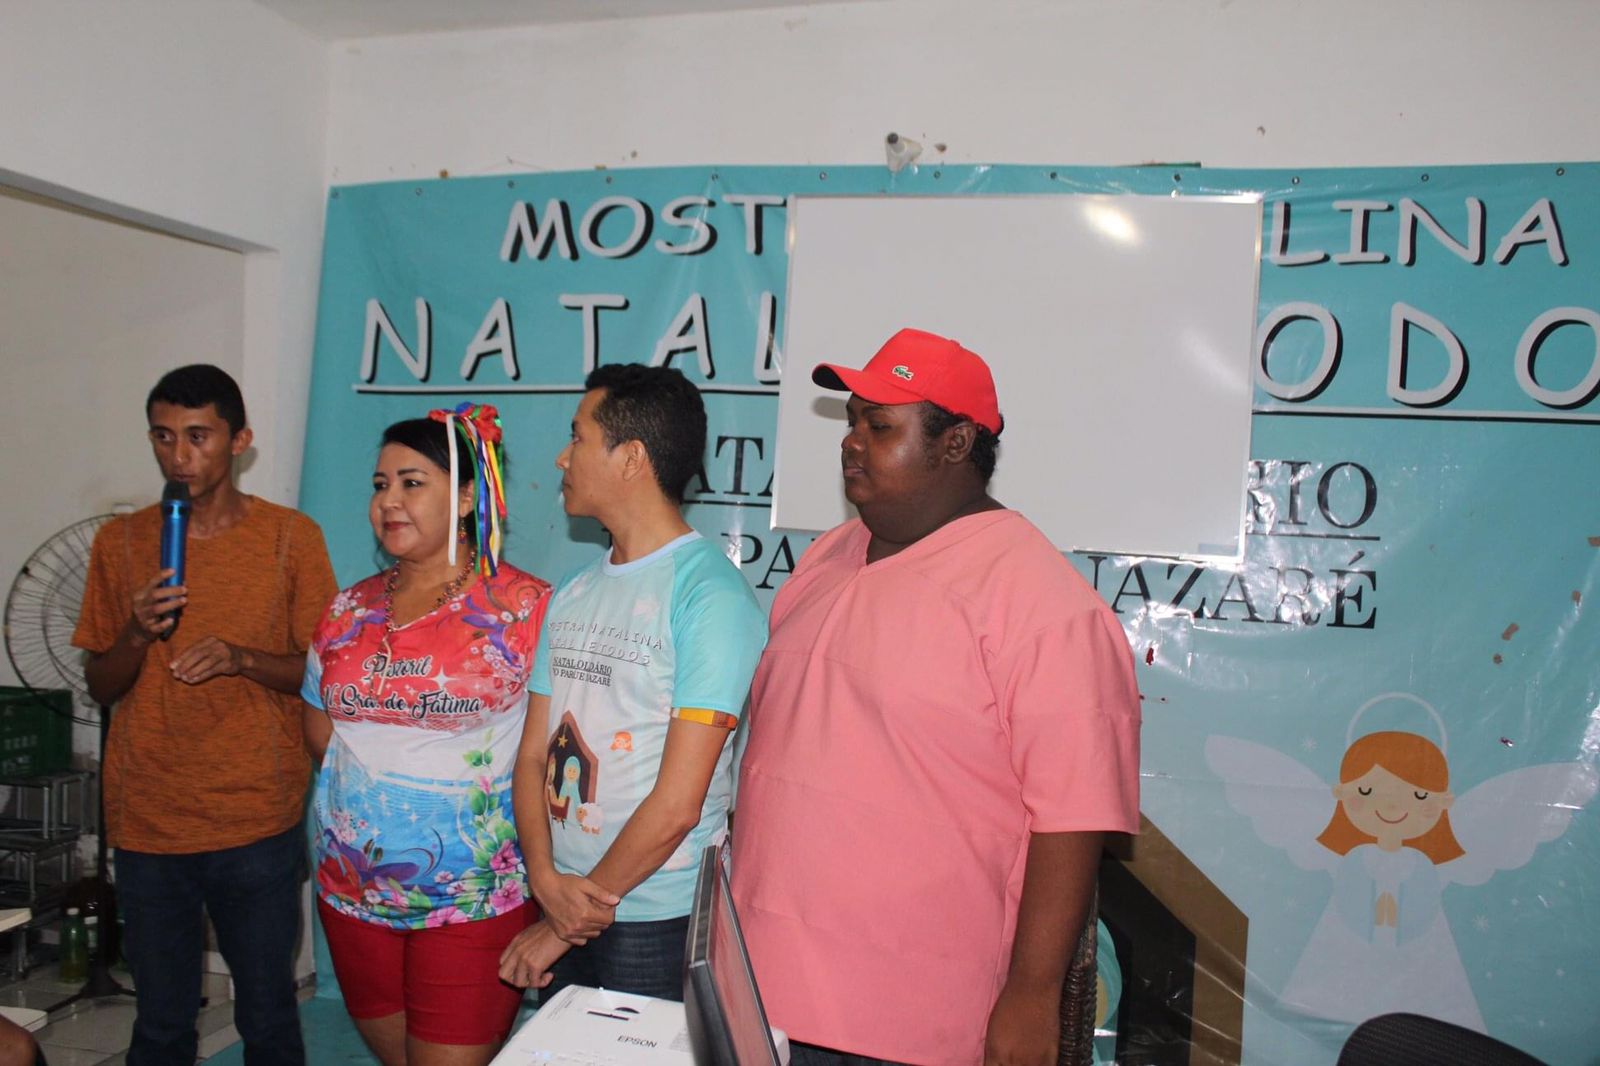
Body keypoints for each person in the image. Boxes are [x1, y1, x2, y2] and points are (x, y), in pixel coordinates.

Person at [730, 328, 1142, 1066]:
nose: (852, 441)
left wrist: (1032, 995)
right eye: (851, 422)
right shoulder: (827, 557)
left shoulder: (1043, 603)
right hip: (762, 997)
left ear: (955, 443)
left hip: (904, 1020)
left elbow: (1073, 818)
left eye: (879, 426)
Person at [73, 364, 336, 1066]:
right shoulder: (120, 543)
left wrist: (241, 658)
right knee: (161, 1022)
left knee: (268, 1014)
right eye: (163, 437)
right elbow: (99, 684)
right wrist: (135, 634)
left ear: (239, 441)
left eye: (198, 436)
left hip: (255, 817)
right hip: (148, 819)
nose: (179, 457)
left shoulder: (290, 538)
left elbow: (322, 674)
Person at [497, 364, 766, 998]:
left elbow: (678, 805)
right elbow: (532, 754)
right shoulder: (573, 590)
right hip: (561, 895)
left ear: (632, 457)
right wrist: (545, 880)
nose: (562, 458)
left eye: (578, 437)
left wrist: (566, 922)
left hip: (655, 914)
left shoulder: (710, 596)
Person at [301, 406, 552, 1065]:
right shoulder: (346, 609)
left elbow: (550, 751)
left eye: (412, 483)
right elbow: (320, 728)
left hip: (472, 900)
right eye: (380, 484)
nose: (389, 500)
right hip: (350, 893)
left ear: (468, 497)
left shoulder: (525, 609)